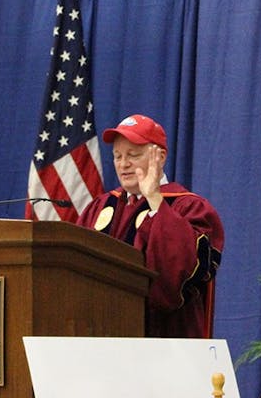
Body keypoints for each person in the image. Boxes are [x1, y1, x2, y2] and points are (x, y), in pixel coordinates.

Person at [76, 114, 224, 338]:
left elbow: (179, 275)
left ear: (160, 157)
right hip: (101, 339)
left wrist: (155, 199)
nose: (123, 164)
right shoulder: (101, 206)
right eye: (117, 156)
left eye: (132, 155)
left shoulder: (189, 207)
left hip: (165, 344)